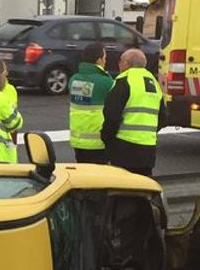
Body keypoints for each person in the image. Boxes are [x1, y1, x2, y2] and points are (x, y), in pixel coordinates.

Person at [101, 48, 166, 176]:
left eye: (120, 61)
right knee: (143, 188)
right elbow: (163, 117)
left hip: (124, 148)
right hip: (148, 148)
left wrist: (106, 138)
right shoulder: (154, 83)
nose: (119, 64)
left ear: (126, 63)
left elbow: (111, 115)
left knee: (123, 189)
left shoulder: (124, 81)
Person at [68, 42, 115, 164]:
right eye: (105, 57)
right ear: (99, 60)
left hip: (77, 139)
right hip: (97, 141)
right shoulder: (106, 82)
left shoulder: (74, 80)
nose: (105, 61)